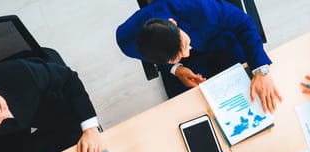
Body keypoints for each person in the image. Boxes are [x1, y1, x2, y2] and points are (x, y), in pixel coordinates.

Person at [116, 0, 281, 112]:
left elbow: (244, 23)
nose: (186, 53)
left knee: (253, 95)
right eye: (178, 56)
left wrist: (261, 71)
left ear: (173, 23)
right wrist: (176, 68)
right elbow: (153, 55)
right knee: (192, 112)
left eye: (185, 45)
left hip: (220, 40)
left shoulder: (201, 8)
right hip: (187, 67)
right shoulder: (128, 40)